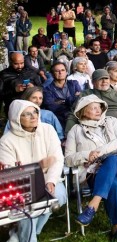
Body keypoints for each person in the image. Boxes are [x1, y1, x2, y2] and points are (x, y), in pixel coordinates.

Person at [65, 96, 117, 242]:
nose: (98, 110)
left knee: (111, 159)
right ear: (84, 112)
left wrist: (99, 152)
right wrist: (87, 155)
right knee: (113, 182)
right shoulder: (75, 130)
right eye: (93, 108)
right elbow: (68, 158)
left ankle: (93, 204)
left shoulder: (112, 121)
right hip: (95, 172)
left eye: (99, 106)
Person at [0, 100, 67, 242]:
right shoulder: (6, 141)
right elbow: (11, 173)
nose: (34, 116)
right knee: (29, 208)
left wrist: (51, 181)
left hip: (48, 177)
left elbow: (57, 159)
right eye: (27, 114)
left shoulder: (48, 129)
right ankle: (29, 237)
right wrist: (38, 167)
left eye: (35, 112)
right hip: (23, 186)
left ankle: (25, 232)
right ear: (17, 117)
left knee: (59, 196)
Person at [65, 69, 117, 135]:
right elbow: (73, 115)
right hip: (93, 133)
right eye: (100, 79)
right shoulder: (85, 95)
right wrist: (69, 134)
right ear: (93, 82)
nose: (104, 81)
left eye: (106, 78)